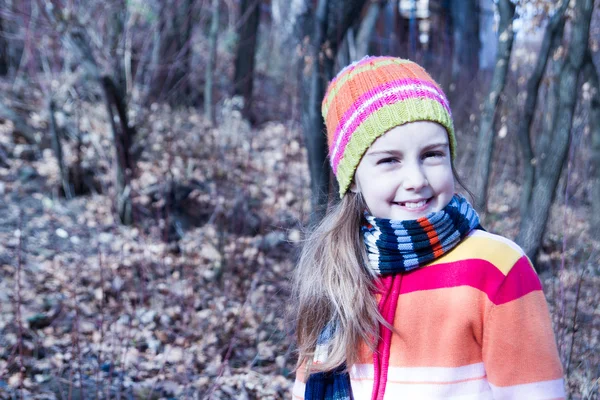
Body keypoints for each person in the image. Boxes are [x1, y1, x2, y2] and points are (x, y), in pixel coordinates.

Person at [291, 56, 564, 400]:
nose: (416, 180)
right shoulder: (337, 271)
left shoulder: (496, 269)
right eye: (390, 160)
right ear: (353, 180)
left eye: (432, 154)